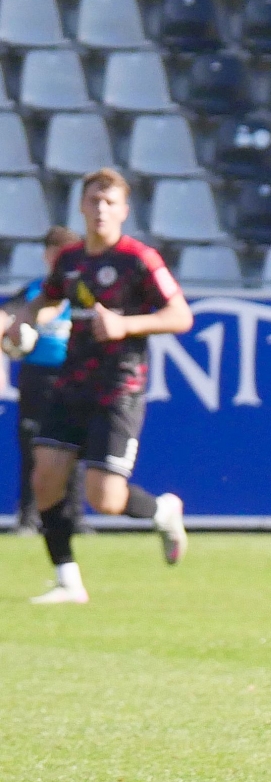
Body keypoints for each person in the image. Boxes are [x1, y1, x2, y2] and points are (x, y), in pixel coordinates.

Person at [13, 169, 193, 605]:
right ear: (81, 205)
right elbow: (47, 298)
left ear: (124, 210)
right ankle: (68, 580)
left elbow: (180, 316)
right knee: (45, 478)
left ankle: (163, 511)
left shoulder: (139, 259)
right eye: (94, 200)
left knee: (106, 499)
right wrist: (25, 321)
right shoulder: (71, 259)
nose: (101, 210)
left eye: (110, 202)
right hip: (72, 384)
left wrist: (125, 325)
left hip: (118, 388)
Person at [1, 226, 83, 534]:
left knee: (73, 446)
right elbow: (5, 318)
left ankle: (74, 518)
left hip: (75, 375)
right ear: (47, 256)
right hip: (37, 377)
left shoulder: (83, 291)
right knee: (32, 443)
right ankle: (28, 517)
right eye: (56, 253)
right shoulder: (34, 292)